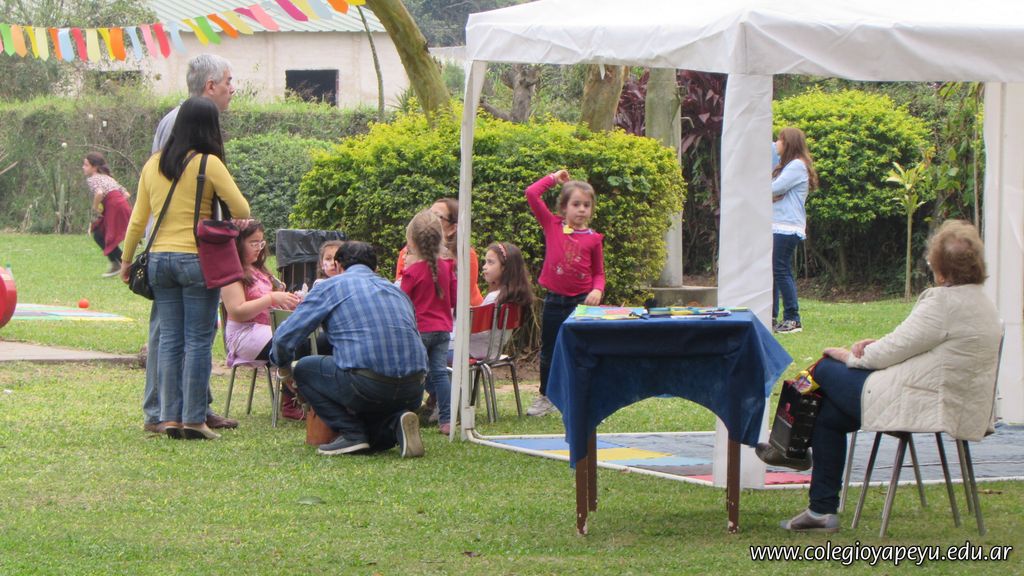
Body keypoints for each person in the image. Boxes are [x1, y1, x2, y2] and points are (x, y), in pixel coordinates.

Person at [757, 220, 1002, 533]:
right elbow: (924, 347)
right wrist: (875, 347)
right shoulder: (983, 303)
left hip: (919, 401)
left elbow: (892, 351)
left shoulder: (944, 303)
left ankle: (788, 446)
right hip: (956, 402)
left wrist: (850, 356)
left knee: (826, 367)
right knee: (827, 416)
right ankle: (818, 508)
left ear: (941, 270)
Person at [121, 96, 251, 440]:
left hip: (159, 261)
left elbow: (137, 221)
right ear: (210, 128)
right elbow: (241, 208)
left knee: (170, 340)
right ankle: (194, 419)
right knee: (197, 341)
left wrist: (126, 260)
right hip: (196, 260)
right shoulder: (209, 163)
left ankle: (168, 418)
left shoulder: (153, 164)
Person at [141, 53, 237, 435]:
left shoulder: (192, 123)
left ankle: (189, 408)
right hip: (184, 249)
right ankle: (162, 411)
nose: (232, 89)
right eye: (228, 81)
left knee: (188, 333)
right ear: (210, 85)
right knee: (175, 333)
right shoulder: (180, 124)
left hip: (171, 252)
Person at [270, 241, 427, 458]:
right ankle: (395, 423)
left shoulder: (330, 287)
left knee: (304, 368)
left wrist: (284, 367)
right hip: (414, 390)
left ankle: (352, 434)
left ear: (337, 265)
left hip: (368, 386)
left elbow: (284, 337)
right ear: (375, 268)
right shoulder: (397, 291)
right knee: (374, 424)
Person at [525, 169, 605, 417]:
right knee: (549, 351)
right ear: (563, 207)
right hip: (554, 301)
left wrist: (597, 290)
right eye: (576, 204)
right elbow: (531, 193)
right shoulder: (552, 225)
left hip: (581, 304)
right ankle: (546, 396)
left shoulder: (593, 239)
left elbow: (599, 273)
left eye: (586, 205)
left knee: (581, 350)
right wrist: (553, 179)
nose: (581, 210)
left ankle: (584, 396)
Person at [220, 219, 303, 420]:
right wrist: (271, 298)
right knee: (293, 342)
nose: (259, 247)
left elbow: (269, 303)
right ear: (238, 244)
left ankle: (299, 398)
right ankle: (292, 401)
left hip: (266, 330)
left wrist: (287, 300)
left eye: (261, 242)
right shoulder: (232, 273)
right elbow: (237, 311)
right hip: (244, 334)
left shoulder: (259, 270)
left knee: (306, 340)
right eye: (253, 243)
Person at [401, 210, 458, 436]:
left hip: (419, 331)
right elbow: (453, 299)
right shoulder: (447, 266)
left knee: (414, 374)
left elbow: (402, 301)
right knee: (440, 373)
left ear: (412, 240)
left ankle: (407, 414)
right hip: (443, 330)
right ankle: (447, 420)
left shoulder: (412, 272)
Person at [395, 198, 484, 306]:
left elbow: (461, 297)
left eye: (437, 216)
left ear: (452, 229)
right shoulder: (407, 253)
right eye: (429, 214)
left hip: (467, 312)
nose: (430, 220)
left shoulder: (465, 255)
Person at [771, 127, 817, 334]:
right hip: (780, 225)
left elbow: (774, 188)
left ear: (788, 143)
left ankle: (792, 318)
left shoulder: (797, 165)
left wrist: (767, 189)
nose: (776, 144)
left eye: (780, 140)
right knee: (774, 271)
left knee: (780, 269)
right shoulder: (789, 165)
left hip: (787, 226)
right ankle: (772, 315)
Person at [468, 241, 534, 359]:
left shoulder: (494, 298)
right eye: (485, 262)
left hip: (473, 351)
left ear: (505, 267)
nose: (484, 266)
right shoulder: (515, 298)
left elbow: (475, 331)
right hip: (494, 351)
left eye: (490, 262)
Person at [83, 152, 132, 277]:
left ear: (94, 167)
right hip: (122, 205)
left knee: (101, 235)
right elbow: (126, 194)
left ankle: (124, 265)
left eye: (86, 165)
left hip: (114, 207)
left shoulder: (92, 179)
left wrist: (95, 208)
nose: (83, 167)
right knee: (99, 233)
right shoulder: (108, 178)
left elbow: (99, 193)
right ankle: (117, 264)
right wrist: (115, 204)